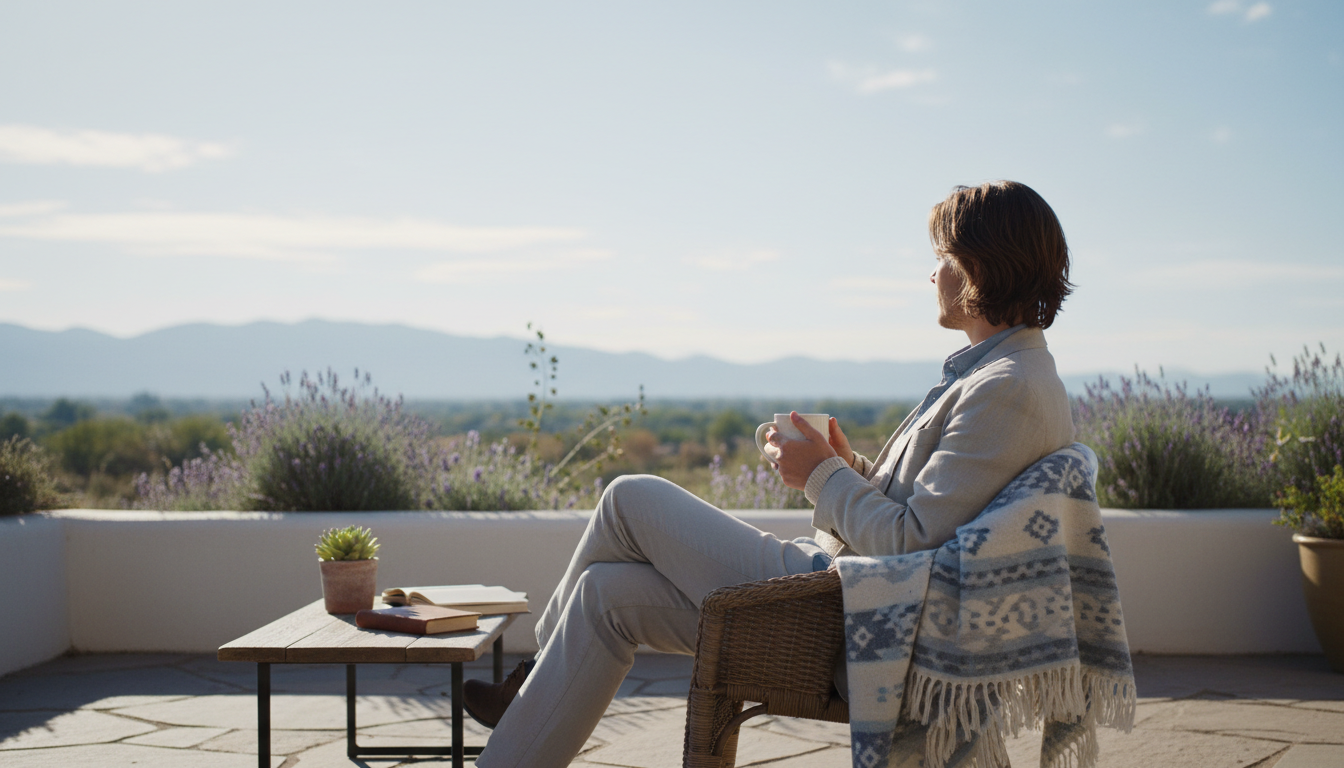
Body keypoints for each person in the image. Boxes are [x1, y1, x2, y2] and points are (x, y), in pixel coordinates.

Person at [466, 180, 1077, 768]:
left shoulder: (1009, 389)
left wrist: (822, 474)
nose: (931, 272)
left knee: (628, 498)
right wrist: (847, 466)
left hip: (848, 613)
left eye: (941, 256)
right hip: (845, 595)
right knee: (604, 593)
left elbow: (913, 542)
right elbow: (931, 515)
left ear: (977, 266)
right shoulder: (1000, 375)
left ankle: (523, 677)